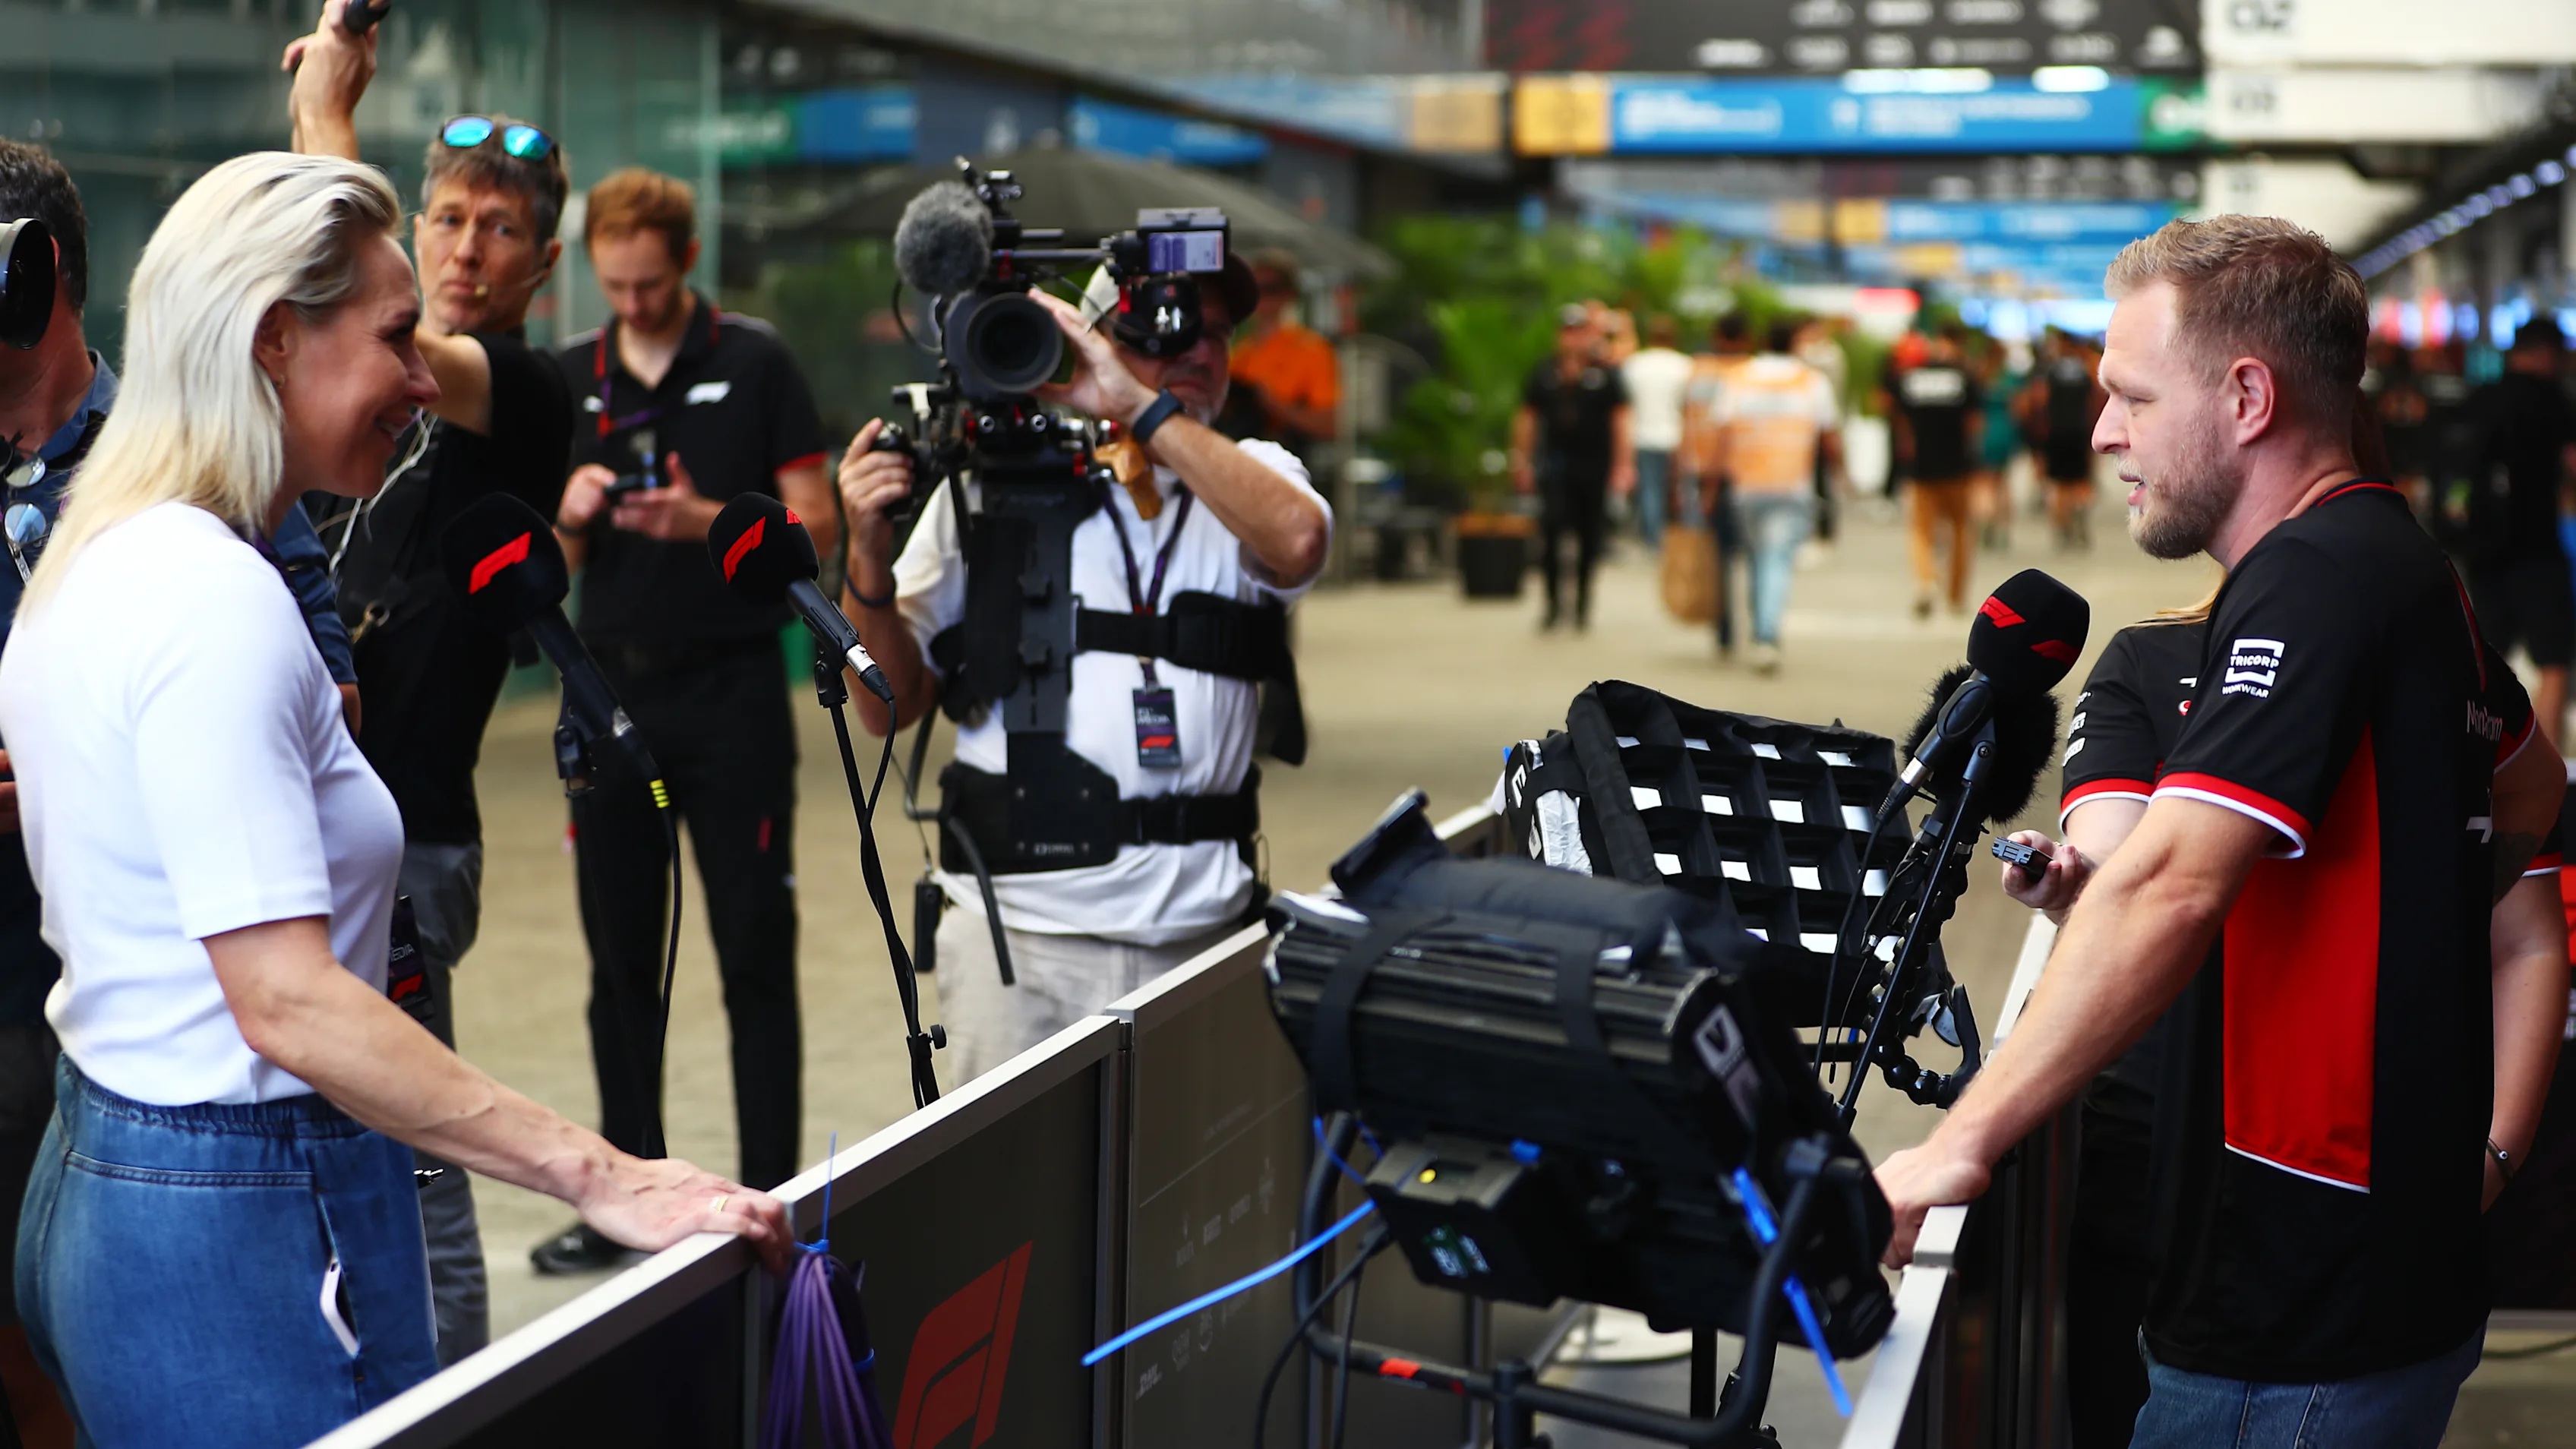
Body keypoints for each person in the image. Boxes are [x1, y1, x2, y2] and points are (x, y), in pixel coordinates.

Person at [1, 147, 788, 1449]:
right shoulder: (209, 601)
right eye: (396, 338)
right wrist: (607, 1173)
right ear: (270, 341)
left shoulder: (107, 549)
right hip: (241, 1207)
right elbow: (287, 996)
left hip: (126, 1167)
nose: (425, 381)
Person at [1877, 216, 2568, 1446]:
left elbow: (2168, 888)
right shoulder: (2403, 568)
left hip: (2295, 1307)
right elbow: (2526, 792)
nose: (2100, 433)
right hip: (2371, 1268)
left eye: (2130, 395)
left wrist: (1957, 1145)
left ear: (2247, 395)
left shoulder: (2313, 578)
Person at [2009, 592, 2568, 1447]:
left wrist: (2491, 1158)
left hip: (2370, 1203)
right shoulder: (2149, 659)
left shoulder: (2452, 665)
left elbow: (2525, 942)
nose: (2108, 446)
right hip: (2153, 1166)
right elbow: (2125, 882)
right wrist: (2079, 892)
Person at [0, 138, 363, 1446]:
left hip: (176, 1057)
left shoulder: (192, 458)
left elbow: (325, 709)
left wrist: (89, 750)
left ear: (29, 275)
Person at [835, 259, 1330, 1083]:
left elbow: (1298, 542)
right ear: (1091, 342)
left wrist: (1140, 406)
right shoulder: (986, 486)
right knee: (1013, 1210)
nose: (1196, 351)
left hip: (1203, 940)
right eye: (1158, 331)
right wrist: (865, 553)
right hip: (1020, 949)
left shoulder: (1255, 474)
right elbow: (888, 708)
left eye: (1213, 332)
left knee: (1194, 1205)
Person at [283, 9, 578, 1356]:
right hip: (323, 810)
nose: (466, 247)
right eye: (451, 217)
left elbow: (359, 300)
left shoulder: (511, 388)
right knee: (341, 1141)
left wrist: (332, 111)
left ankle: (449, 1396)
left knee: (415, 1154)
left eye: (498, 230)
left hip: (411, 838)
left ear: (544, 261)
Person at [535, 169, 836, 1273]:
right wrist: (568, 520)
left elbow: (815, 523)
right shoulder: (571, 376)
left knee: (755, 947)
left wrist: (701, 519)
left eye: (652, 284)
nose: (636, 303)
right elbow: (542, 571)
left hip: (735, 690)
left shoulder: (755, 361)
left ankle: (775, 1194)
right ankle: (627, 1195)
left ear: (688, 260)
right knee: (620, 964)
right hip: (610, 693)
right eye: (616, 286)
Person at [2452, 316, 2576, 747]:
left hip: (2483, 550)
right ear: (2547, 354)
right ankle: (2546, 764)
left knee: (2487, 661)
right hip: (2537, 547)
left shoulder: (2483, 397)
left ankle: (2481, 759)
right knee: (2554, 659)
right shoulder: (2550, 399)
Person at [1700, 317, 1839, 674]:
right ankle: (1766, 634)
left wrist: (1711, 484)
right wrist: (1839, 475)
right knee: (1775, 558)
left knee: (1756, 556)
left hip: (1746, 486)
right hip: (1792, 485)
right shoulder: (1811, 382)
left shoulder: (1740, 378)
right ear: (1795, 343)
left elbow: (1721, 435)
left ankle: (1762, 627)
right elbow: (1829, 437)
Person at [1512, 303, 1633, 633]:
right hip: (1555, 465)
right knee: (1551, 533)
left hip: (1594, 465)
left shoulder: (1605, 374)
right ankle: (1552, 605)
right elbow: (1528, 418)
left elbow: (1620, 420)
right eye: (1568, 332)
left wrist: (1624, 464)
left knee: (1589, 537)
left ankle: (1582, 604)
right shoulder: (1545, 372)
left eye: (1579, 332)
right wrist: (1520, 459)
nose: (1573, 339)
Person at [1890, 324, 1983, 617]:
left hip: (1921, 467)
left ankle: (1926, 580)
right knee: (1960, 529)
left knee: (1920, 530)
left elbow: (1901, 421)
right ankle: (1956, 595)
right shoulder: (1964, 377)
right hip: (1957, 466)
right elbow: (1975, 423)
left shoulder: (1912, 378)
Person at [1226, 249, 1338, 453]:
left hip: (1286, 455)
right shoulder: (1241, 350)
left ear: (1290, 294)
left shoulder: (1311, 349)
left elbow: (1329, 425)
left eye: (1271, 288)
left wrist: (1271, 404)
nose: (1261, 297)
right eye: (1254, 288)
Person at [2022, 328, 2107, 550]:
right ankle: (2080, 508)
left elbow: (2038, 401)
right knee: (2080, 481)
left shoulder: (2049, 371)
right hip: (2079, 431)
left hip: (2056, 433)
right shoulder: (2085, 370)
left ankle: (2063, 526)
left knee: (2058, 485)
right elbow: (2096, 400)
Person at [1620, 315, 1694, 551]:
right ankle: (1680, 535)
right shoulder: (1683, 365)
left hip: (1642, 434)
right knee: (1677, 489)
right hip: (1675, 434)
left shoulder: (1635, 364)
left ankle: (1654, 539)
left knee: (1650, 489)